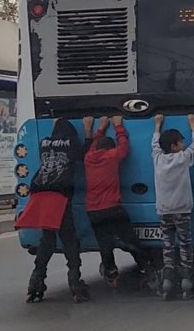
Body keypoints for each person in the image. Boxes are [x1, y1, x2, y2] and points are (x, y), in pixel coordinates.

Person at [15, 118, 89, 303]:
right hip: (59, 196)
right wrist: (88, 131)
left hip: (40, 194)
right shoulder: (71, 143)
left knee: (47, 239)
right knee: (69, 240)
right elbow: (84, 155)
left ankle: (36, 281)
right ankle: (75, 283)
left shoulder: (44, 143)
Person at [83, 115, 155, 290]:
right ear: (110, 148)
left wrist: (100, 128)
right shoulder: (111, 156)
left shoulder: (88, 158)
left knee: (105, 245)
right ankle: (147, 267)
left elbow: (93, 145)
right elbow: (124, 146)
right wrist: (118, 126)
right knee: (130, 241)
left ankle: (111, 274)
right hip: (112, 208)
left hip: (93, 211)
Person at [152, 113, 194, 300]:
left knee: (167, 245)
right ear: (174, 146)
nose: (183, 144)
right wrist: (193, 125)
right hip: (182, 210)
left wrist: (157, 125)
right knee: (185, 244)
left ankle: (167, 281)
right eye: (181, 142)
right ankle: (187, 282)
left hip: (164, 210)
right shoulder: (183, 158)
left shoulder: (157, 159)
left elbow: (155, 144)